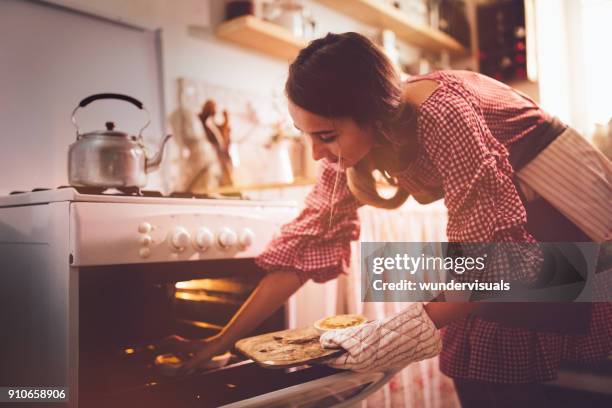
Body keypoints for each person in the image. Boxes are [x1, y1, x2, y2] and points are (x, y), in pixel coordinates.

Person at [166, 32, 612, 406]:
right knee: (481, 366)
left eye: (327, 136)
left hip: (564, 200)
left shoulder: (442, 112)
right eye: (309, 137)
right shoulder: (348, 153)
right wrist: (218, 343)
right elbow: (301, 250)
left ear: (374, 117)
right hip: (511, 219)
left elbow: (489, 265)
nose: (318, 153)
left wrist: (387, 336)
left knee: (513, 365)